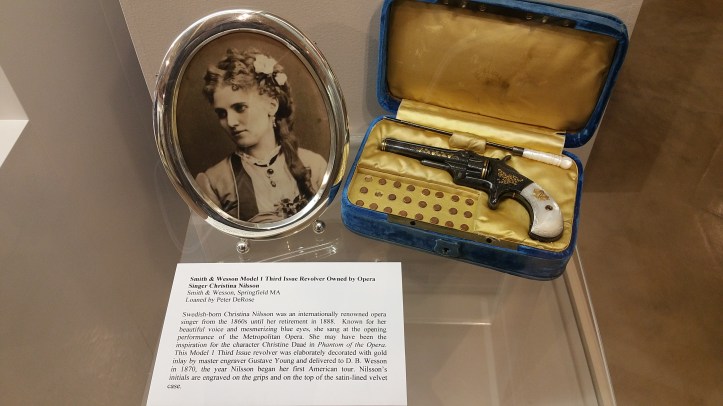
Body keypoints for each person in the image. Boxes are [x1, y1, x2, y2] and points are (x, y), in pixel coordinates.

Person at [195, 48, 327, 222]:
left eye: (240, 108)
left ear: (272, 105)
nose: (231, 122)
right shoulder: (212, 181)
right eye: (221, 114)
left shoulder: (314, 165)